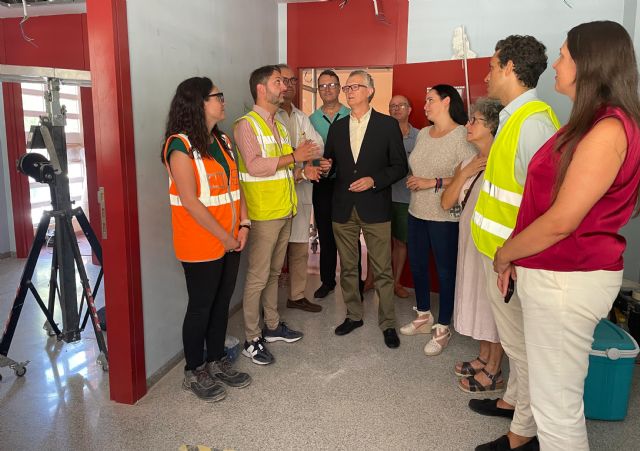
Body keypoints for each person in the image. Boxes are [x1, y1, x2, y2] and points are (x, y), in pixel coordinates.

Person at [494, 21, 640, 450]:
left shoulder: (609, 129)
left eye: (562, 55)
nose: (555, 64)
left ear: (589, 64)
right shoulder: (593, 122)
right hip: (558, 272)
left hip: (566, 279)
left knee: (557, 412)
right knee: (553, 399)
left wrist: (506, 255)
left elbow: (562, 220)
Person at [470, 36, 559, 451]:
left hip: (515, 259)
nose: (486, 74)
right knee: (514, 341)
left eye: (491, 65)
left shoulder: (534, 123)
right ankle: (511, 402)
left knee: (522, 349)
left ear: (509, 68)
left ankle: (522, 434)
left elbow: (547, 205)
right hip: (499, 253)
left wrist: (516, 259)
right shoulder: (512, 119)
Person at [161, 77, 252, 402]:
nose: (223, 101)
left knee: (221, 304)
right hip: (200, 244)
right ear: (199, 102)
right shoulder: (179, 146)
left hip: (231, 240)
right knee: (201, 307)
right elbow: (190, 201)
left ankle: (215, 360)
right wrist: (226, 238)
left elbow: (235, 188)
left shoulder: (223, 140)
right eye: (218, 96)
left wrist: (243, 226)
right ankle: (194, 369)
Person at [234, 65, 323, 366]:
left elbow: (282, 168)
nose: (284, 86)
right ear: (261, 88)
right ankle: (251, 338)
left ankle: (271, 327)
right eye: (278, 82)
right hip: (262, 214)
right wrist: (295, 157)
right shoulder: (246, 125)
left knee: (274, 274)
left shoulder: (280, 125)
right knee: (257, 277)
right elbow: (256, 165)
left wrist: (302, 171)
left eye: (284, 82)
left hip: (284, 209)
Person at [324, 69, 408, 348]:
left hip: (375, 206)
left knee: (382, 269)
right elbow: (331, 165)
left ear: (370, 91)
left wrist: (374, 180)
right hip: (343, 207)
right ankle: (353, 315)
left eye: (355, 86)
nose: (349, 91)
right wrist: (326, 168)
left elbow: (399, 167)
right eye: (347, 87)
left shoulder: (387, 125)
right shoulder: (337, 127)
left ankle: (388, 323)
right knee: (348, 268)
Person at [401, 84, 476, 356]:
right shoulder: (423, 135)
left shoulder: (461, 136)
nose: (425, 105)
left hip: (445, 217)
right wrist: (417, 182)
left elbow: (468, 177)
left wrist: (431, 182)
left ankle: (443, 326)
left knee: (445, 273)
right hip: (416, 211)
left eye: (430, 100)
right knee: (418, 266)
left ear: (446, 101)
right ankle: (423, 316)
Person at [440, 98, 505, 393]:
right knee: (478, 299)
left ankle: (494, 368)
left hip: (494, 246)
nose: (468, 125)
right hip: (469, 241)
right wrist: (464, 174)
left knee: (493, 306)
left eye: (474, 121)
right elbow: (446, 201)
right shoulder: (469, 161)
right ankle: (483, 356)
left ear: (492, 126)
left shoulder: (503, 162)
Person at [309, 69, 366, 301]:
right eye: (322, 86)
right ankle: (327, 281)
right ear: (319, 90)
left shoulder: (352, 114)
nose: (327, 89)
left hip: (347, 183)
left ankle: (355, 284)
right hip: (322, 183)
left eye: (332, 85)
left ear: (339, 87)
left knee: (350, 234)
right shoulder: (310, 119)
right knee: (325, 232)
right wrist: (316, 163)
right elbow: (306, 149)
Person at [275, 64, 324, 314]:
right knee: (273, 254)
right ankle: (269, 305)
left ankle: (296, 296)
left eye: (293, 80)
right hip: (277, 191)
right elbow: (270, 159)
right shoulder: (269, 117)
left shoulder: (300, 116)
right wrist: (297, 153)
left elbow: (318, 145)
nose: (289, 85)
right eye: (284, 80)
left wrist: (302, 154)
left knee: (299, 248)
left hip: (301, 188)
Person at [388, 95, 419, 298]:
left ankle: (396, 283)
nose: (396, 109)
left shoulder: (420, 136)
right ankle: (372, 280)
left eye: (401, 105)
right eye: (392, 106)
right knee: (378, 241)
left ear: (409, 109)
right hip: (381, 196)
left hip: (405, 197)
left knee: (400, 242)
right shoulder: (382, 133)